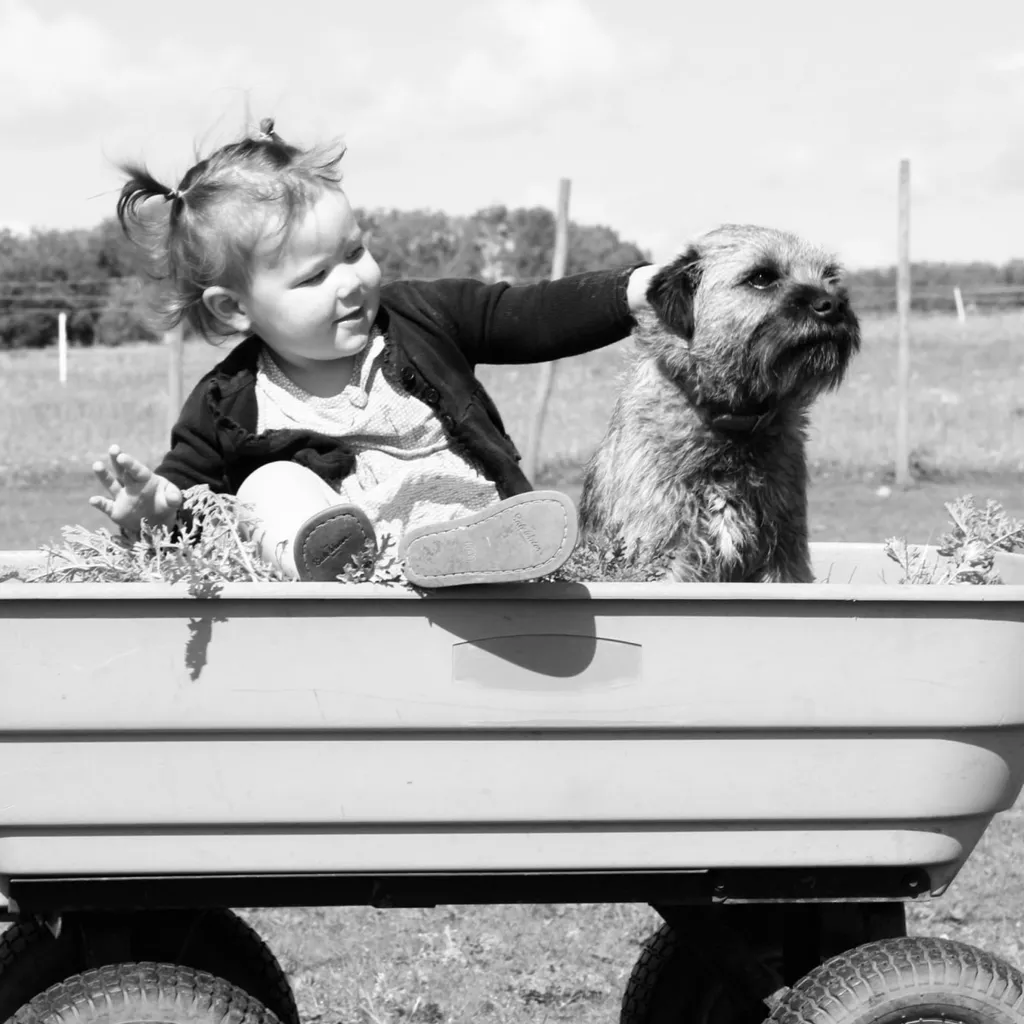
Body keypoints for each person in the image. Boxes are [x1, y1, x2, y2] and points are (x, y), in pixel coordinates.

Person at [90, 118, 659, 587]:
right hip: (354, 586)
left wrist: (633, 290)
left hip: (480, 541)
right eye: (314, 276)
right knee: (267, 487)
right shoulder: (227, 404)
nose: (351, 281)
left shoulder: (421, 316)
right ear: (233, 309)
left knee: (478, 529)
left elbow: (530, 315)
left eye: (355, 251)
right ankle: (345, 560)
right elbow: (196, 508)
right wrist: (156, 513)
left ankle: (482, 552)